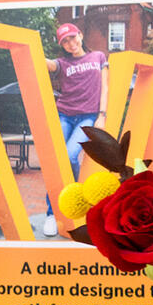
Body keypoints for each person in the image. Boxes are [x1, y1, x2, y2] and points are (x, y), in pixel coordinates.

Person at [46, 20, 109, 235]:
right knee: (56, 161)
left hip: (88, 116)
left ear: (80, 35)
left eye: (72, 37)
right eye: (65, 41)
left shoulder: (98, 57)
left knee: (70, 156)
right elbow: (46, 63)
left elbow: (105, 87)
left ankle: (67, 205)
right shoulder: (62, 63)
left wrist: (102, 115)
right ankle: (51, 214)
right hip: (64, 115)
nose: (70, 43)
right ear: (62, 46)